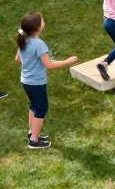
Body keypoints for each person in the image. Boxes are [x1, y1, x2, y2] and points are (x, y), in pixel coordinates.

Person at [15, 12, 78, 149]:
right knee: (41, 108)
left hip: (26, 80)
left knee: (34, 106)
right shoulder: (39, 44)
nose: (44, 21)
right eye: (42, 20)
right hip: (36, 82)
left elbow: (18, 59)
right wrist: (67, 61)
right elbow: (48, 65)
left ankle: (32, 131)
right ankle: (34, 140)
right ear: (38, 27)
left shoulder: (24, 39)